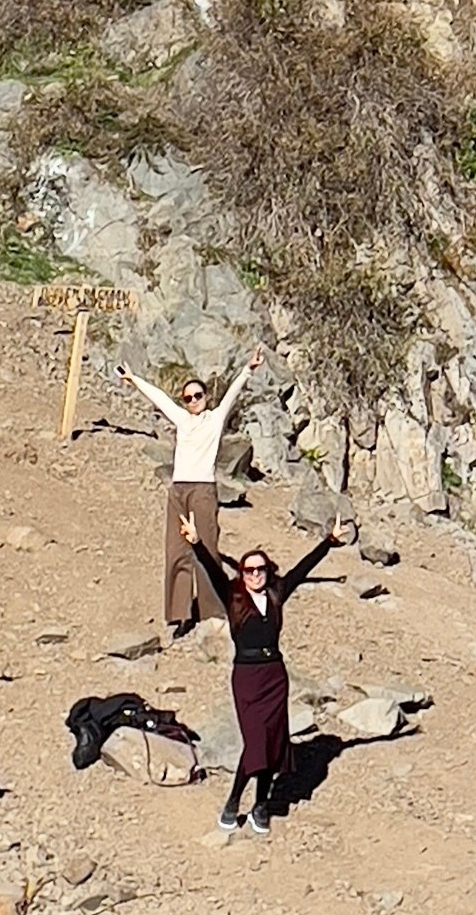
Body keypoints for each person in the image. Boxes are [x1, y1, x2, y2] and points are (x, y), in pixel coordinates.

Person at [182, 517, 331, 834]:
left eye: (260, 569)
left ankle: (261, 805)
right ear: (242, 574)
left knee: (275, 745)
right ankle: (233, 802)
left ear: (268, 570)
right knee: (255, 744)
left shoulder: (277, 595)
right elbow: (211, 569)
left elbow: (302, 570)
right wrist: (196, 542)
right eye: (249, 570)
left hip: (275, 676)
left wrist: (329, 541)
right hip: (247, 678)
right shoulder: (233, 597)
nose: (255, 575)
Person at [119, 350, 261, 634]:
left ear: (206, 397)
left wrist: (248, 369)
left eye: (198, 396)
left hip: (203, 491)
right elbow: (159, 397)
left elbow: (233, 392)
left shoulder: (216, 418)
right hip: (179, 491)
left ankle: (212, 611)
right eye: (188, 398)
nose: (193, 401)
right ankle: (180, 614)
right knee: (176, 550)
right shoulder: (182, 420)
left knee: (206, 549)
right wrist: (134, 380)